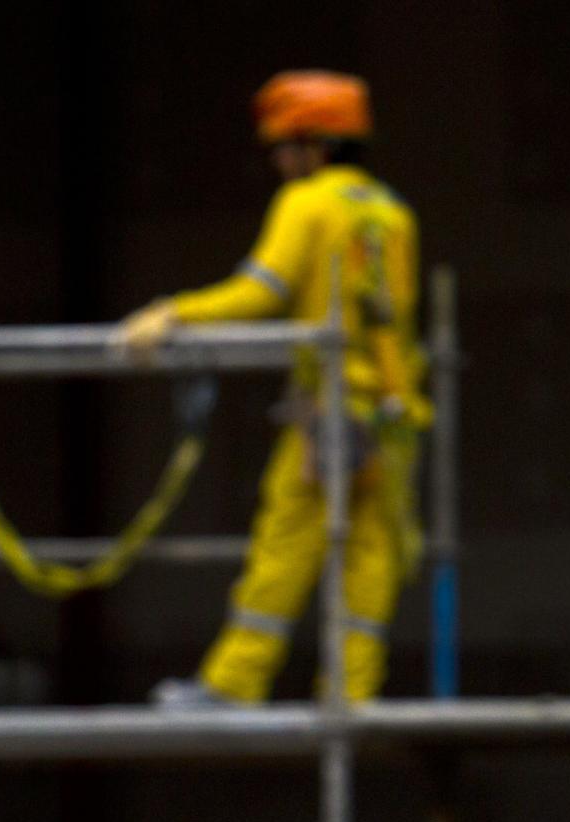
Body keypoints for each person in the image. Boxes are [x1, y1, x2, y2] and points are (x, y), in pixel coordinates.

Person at [116, 72, 428, 707]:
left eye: (286, 147)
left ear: (316, 145)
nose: (280, 162)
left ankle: (234, 682)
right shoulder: (392, 212)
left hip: (333, 408)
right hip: (394, 410)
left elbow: (262, 291)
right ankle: (353, 692)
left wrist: (175, 313)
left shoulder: (307, 204)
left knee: (285, 545)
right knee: (370, 558)